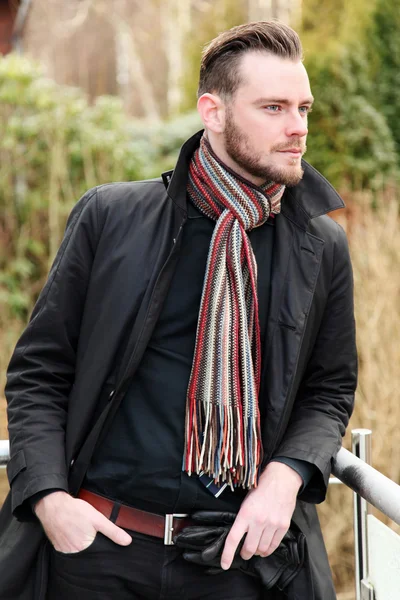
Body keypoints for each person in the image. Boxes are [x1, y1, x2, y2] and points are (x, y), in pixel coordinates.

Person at [0, 20, 357, 600]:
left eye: (304, 108)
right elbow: (39, 371)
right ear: (212, 112)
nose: (298, 128)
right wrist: (49, 502)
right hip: (99, 553)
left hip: (236, 559)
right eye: (273, 108)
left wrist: (287, 476)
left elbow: (329, 389)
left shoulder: (320, 245)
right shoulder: (110, 217)